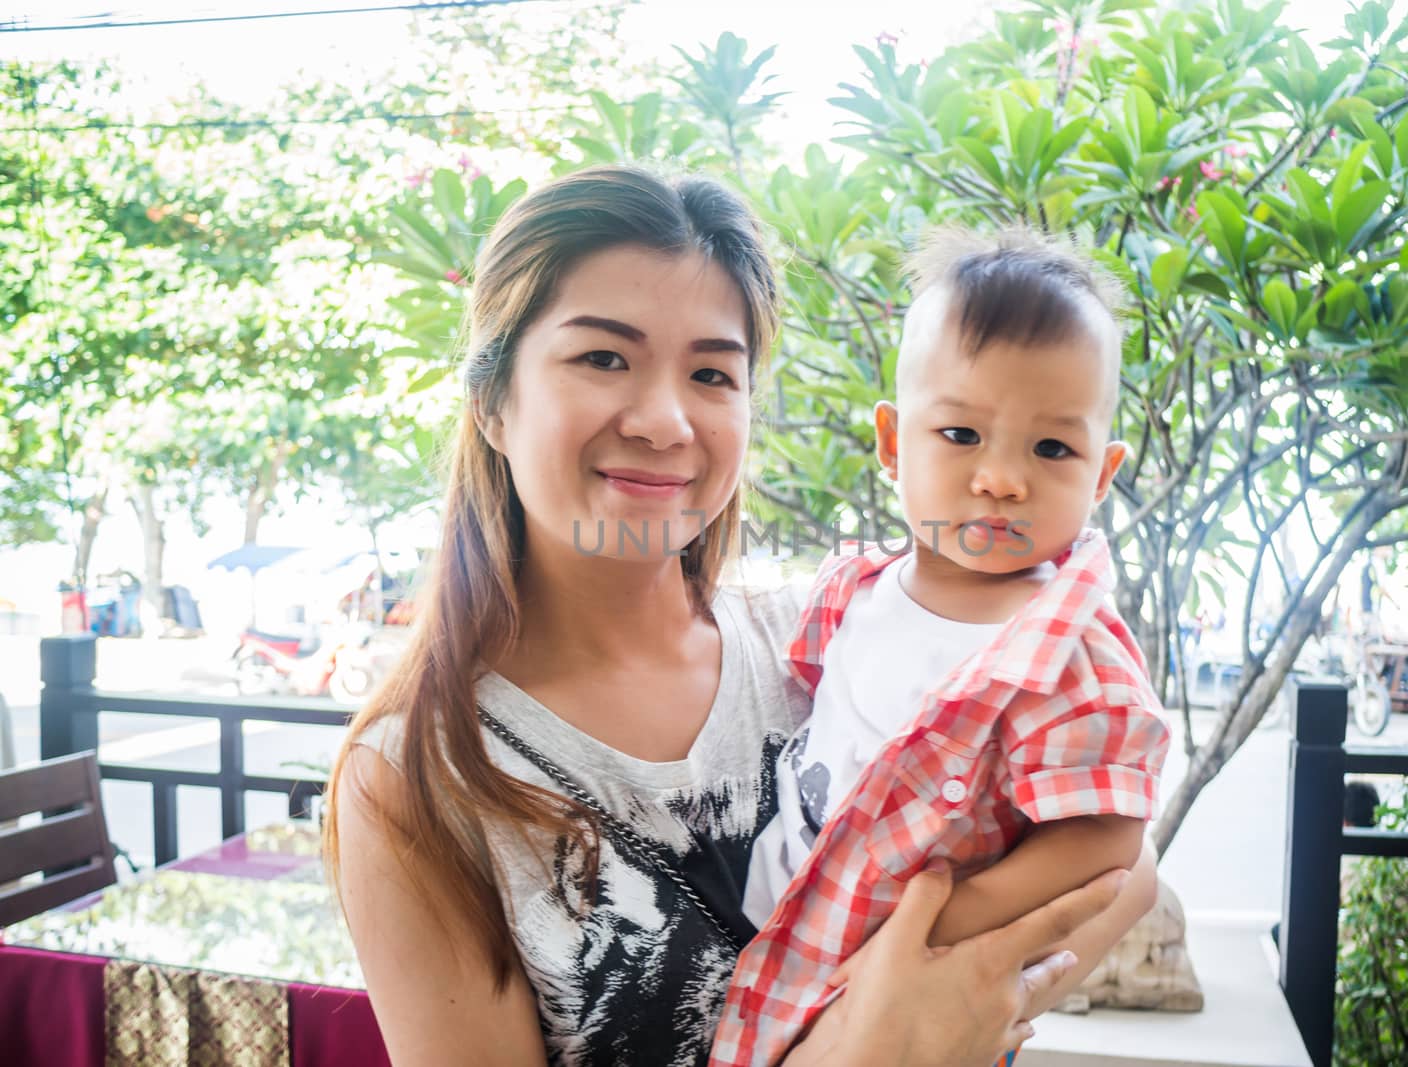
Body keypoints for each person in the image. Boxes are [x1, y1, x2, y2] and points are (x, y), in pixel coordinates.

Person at [323, 165, 1157, 1067]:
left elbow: (1122, 868)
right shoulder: (421, 780)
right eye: (603, 357)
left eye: (713, 372)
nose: (665, 419)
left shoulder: (823, 638)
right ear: (491, 399)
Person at [721, 228, 1170, 1065]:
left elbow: (1106, 837)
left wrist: (949, 922)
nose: (1001, 476)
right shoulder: (851, 594)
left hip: (913, 990)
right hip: (776, 956)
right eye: (961, 434)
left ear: (1101, 476)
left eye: (1051, 447)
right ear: (894, 443)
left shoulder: (1066, 655)